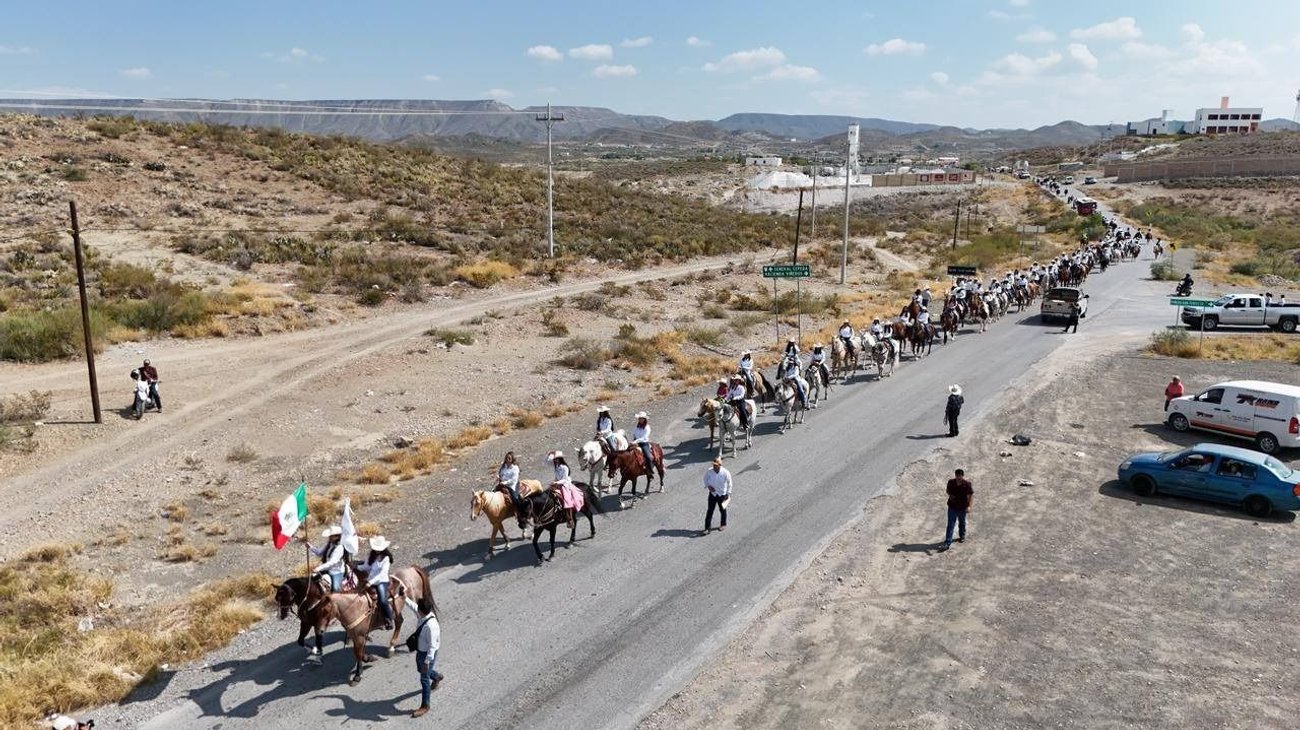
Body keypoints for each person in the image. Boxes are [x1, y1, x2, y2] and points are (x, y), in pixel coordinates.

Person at [409, 596, 443, 718]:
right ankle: (436, 676)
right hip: (421, 651)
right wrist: (403, 597)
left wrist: (427, 662)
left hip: (428, 654)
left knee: (424, 678)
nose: (416, 609)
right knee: (420, 669)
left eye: (418, 608)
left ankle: (425, 706)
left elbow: (433, 647)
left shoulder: (431, 626)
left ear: (421, 610)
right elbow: (413, 607)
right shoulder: (422, 615)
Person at [360, 535, 394, 630]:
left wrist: (370, 582)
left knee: (382, 601)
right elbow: (366, 567)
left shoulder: (386, 559)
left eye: (379, 549)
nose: (377, 550)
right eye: (375, 548)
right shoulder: (371, 555)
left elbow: (382, 574)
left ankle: (389, 618)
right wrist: (355, 567)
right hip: (370, 580)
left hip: (381, 581)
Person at [939, 468, 973, 551]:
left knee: (962, 523)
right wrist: (950, 495)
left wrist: (969, 506)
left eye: (960, 476)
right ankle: (947, 542)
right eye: (957, 476)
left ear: (962, 476)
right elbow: (947, 491)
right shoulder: (951, 482)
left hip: (962, 508)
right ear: (955, 475)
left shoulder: (967, 484)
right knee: (950, 524)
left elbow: (970, 496)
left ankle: (962, 536)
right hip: (952, 507)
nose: (958, 478)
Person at [547, 450, 579, 528]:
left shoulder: (565, 467)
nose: (555, 460)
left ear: (560, 459)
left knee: (566, 499)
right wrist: (549, 454)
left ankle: (569, 518)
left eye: (557, 459)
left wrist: (556, 483)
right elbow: (546, 462)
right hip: (557, 483)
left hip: (565, 484)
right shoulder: (556, 466)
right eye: (555, 459)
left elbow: (564, 479)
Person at [311, 526, 349, 592]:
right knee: (312, 578)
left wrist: (318, 568)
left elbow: (332, 562)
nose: (330, 537)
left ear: (338, 537)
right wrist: (310, 547)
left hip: (336, 571)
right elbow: (320, 553)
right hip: (327, 569)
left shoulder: (340, 548)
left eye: (332, 536)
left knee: (335, 589)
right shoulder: (330, 544)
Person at [703, 457, 732, 534]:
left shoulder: (725, 472)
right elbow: (705, 479)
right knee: (710, 511)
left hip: (722, 494)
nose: (714, 467)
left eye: (716, 465)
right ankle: (707, 528)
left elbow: (730, 483)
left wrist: (728, 493)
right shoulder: (709, 471)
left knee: (722, 510)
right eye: (713, 465)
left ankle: (723, 524)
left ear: (720, 465)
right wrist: (708, 486)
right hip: (713, 494)